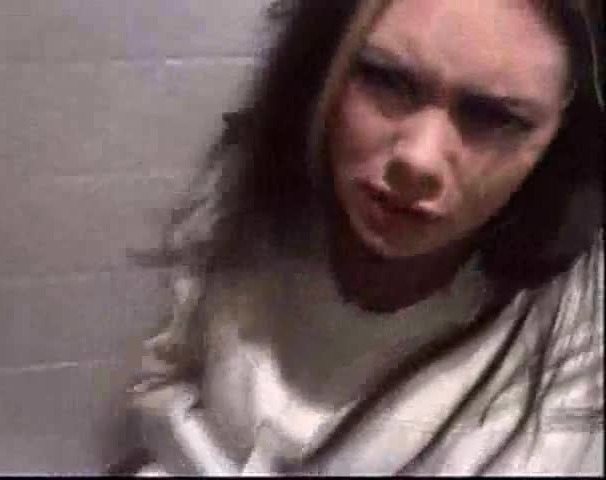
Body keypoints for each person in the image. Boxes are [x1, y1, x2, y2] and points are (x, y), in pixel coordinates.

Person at [113, 0, 604, 475]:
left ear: (561, 141)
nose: (418, 160)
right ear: (323, 64)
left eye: (496, 118)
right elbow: (164, 383)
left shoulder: (575, 326)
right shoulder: (250, 194)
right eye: (386, 79)